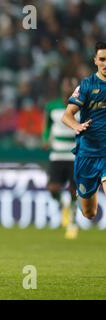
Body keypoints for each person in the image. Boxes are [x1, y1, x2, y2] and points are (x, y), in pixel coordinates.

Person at [61, 41, 106, 225]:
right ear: (95, 60)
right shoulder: (87, 86)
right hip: (87, 153)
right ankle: (83, 196)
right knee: (89, 212)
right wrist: (76, 126)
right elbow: (67, 115)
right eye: (102, 59)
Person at [42, 77, 79, 239]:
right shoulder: (52, 107)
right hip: (57, 153)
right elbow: (48, 126)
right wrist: (45, 139)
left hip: (74, 154)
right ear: (62, 88)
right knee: (52, 188)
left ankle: (72, 222)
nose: (68, 89)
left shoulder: (82, 107)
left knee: (74, 190)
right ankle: (63, 205)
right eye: (66, 86)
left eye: (71, 86)